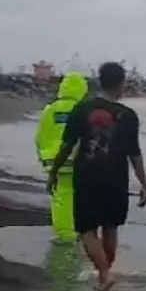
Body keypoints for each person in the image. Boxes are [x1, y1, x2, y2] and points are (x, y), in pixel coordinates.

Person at [46, 62, 146, 291]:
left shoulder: (82, 109)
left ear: (99, 81)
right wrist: (144, 183)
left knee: (87, 229)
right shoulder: (129, 116)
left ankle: (104, 274)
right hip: (117, 177)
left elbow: (66, 146)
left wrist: (54, 172)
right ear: (121, 83)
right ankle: (105, 284)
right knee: (110, 225)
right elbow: (135, 153)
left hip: (88, 175)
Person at [35, 72, 88, 244]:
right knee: (78, 196)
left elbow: (40, 136)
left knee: (60, 197)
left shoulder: (49, 110)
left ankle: (64, 233)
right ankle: (75, 232)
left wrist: (42, 156)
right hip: (78, 159)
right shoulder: (83, 110)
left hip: (53, 160)